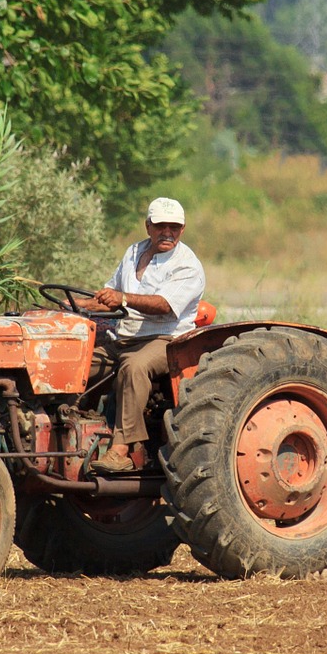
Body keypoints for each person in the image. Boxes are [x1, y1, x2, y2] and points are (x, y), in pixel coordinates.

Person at [80, 197, 206, 473]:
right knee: (77, 363)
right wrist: (74, 306)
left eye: (174, 227)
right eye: (161, 226)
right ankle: (70, 426)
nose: (168, 233)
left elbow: (164, 304)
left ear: (183, 230)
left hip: (166, 339)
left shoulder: (187, 265)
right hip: (123, 337)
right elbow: (107, 296)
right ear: (148, 226)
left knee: (134, 367)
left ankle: (122, 449)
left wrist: (122, 298)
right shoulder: (133, 252)